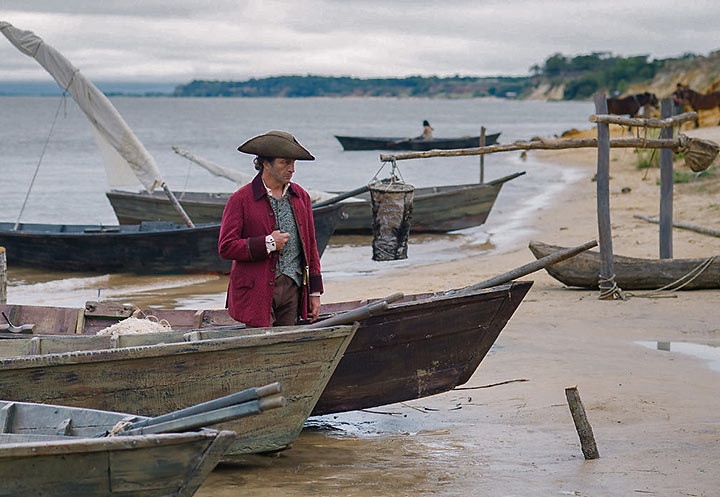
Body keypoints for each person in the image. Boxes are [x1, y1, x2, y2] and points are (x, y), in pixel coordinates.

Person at [218, 130, 323, 328]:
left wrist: (315, 293)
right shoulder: (240, 200)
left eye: (293, 163)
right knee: (259, 348)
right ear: (265, 163)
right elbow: (226, 247)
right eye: (285, 162)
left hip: (294, 288)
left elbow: (310, 247)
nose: (292, 169)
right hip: (255, 292)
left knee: (287, 346)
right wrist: (267, 243)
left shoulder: (302, 197)